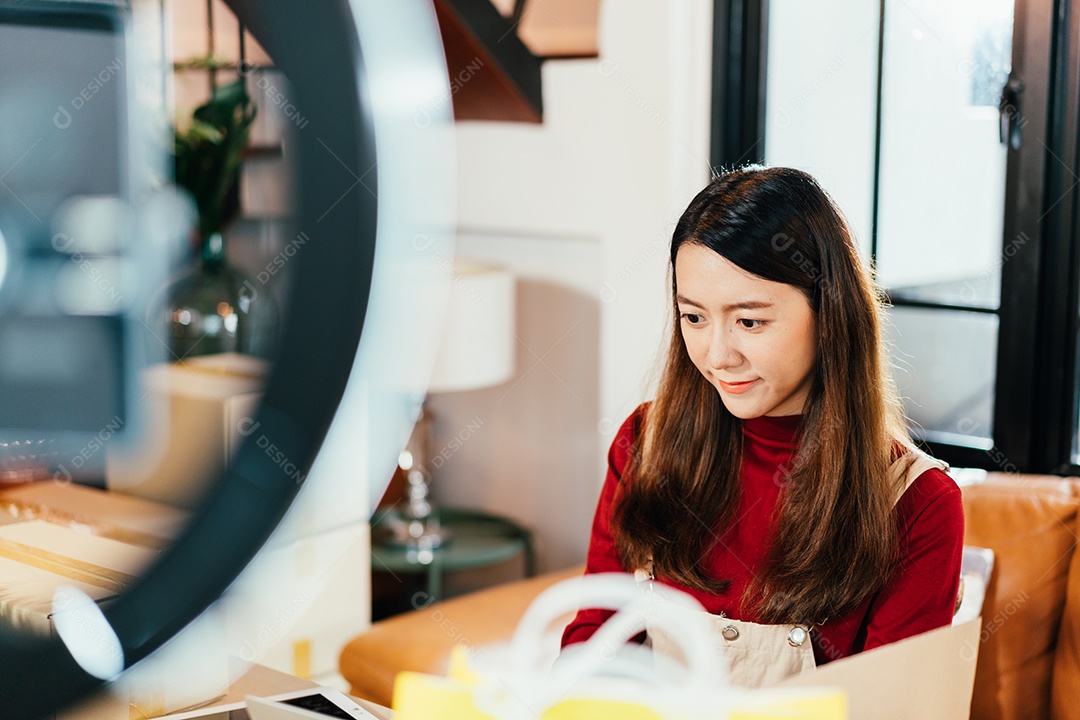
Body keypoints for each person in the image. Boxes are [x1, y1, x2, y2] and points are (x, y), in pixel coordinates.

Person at [560, 166, 964, 687]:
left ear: (829, 314)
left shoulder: (918, 503)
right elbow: (600, 633)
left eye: (749, 321)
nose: (717, 355)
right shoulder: (645, 442)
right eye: (694, 317)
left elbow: (892, 707)